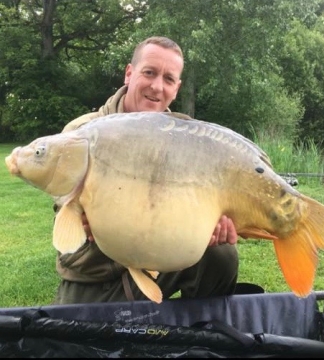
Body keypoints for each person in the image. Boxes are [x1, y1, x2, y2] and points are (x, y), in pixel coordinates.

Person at [54, 36, 239, 304]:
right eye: (149, 73)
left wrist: (211, 223)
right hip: (98, 273)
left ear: (177, 88)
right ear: (129, 73)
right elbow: (67, 223)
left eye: (168, 79)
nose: (157, 87)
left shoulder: (185, 139)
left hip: (157, 258)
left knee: (222, 255)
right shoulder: (81, 134)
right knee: (75, 343)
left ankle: (199, 332)